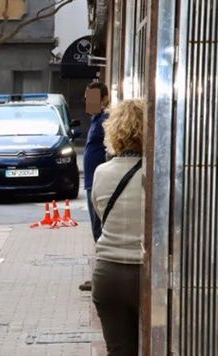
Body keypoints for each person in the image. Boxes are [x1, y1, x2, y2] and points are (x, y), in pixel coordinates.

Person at [90, 99, 145, 356]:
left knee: (119, 351)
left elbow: (102, 216)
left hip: (108, 274)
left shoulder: (101, 172)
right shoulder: (158, 175)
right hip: (147, 275)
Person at [80, 82, 110, 292]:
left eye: (91, 97)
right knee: (96, 231)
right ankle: (100, 276)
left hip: (99, 183)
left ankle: (102, 278)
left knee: (100, 231)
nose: (87, 101)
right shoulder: (96, 119)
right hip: (92, 182)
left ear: (105, 98)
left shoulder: (106, 120)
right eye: (86, 97)